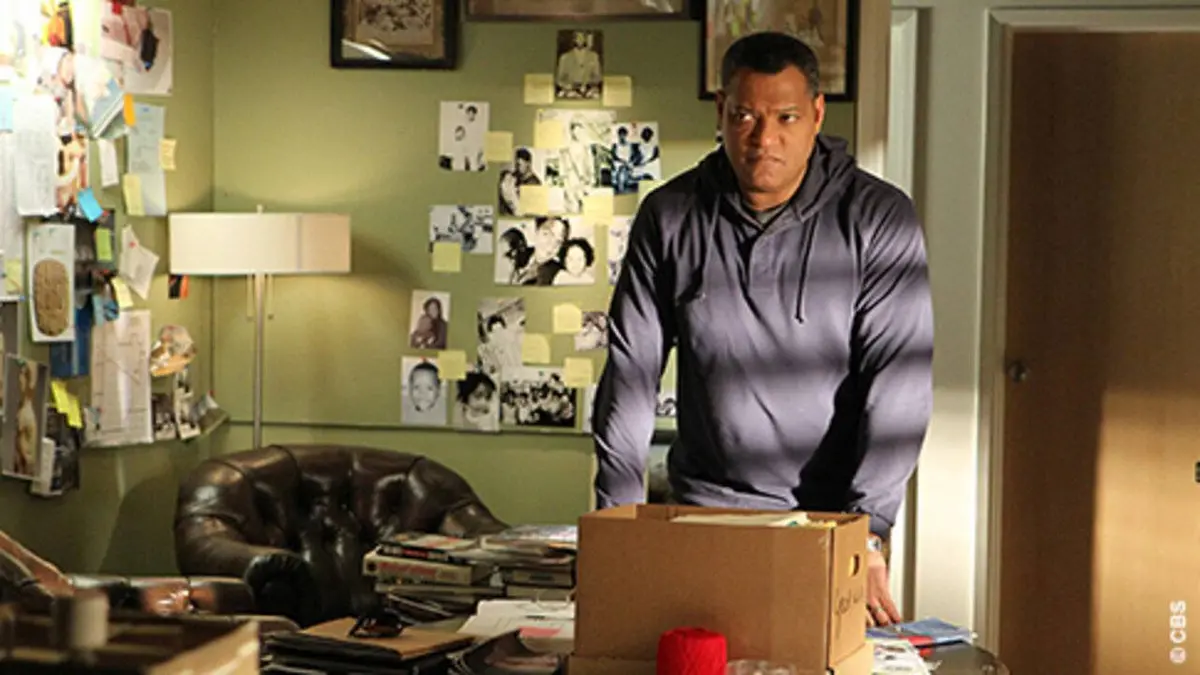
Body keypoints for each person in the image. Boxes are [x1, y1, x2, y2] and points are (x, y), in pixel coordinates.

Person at [591, 32, 933, 628]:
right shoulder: (669, 217)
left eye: (786, 117)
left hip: (829, 522)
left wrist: (869, 531)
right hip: (703, 512)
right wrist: (615, 527)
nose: (763, 138)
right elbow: (629, 375)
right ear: (721, 110)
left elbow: (898, 387)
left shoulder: (878, 218)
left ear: (817, 115)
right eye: (745, 116)